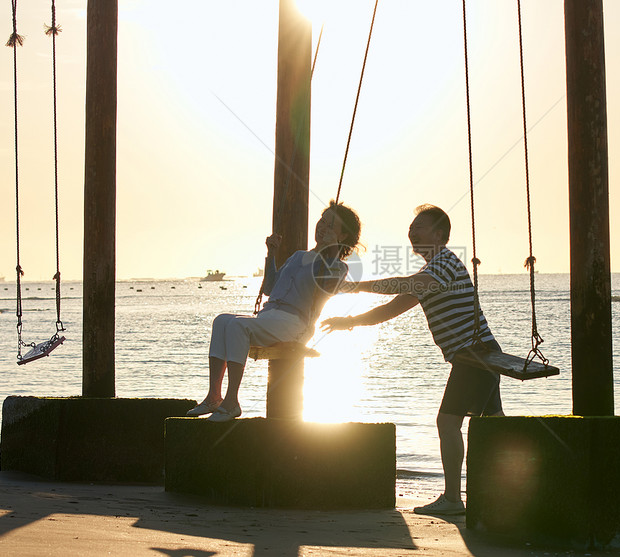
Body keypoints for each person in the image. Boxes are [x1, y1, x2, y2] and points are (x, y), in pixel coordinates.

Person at [321, 204, 502, 516]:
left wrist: (353, 287)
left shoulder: (444, 263)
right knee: (496, 427)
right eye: (411, 227)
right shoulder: (431, 271)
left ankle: (453, 499)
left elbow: (404, 285)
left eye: (420, 227)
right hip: (481, 353)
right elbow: (389, 310)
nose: (412, 232)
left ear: (440, 234)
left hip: (476, 355)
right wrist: (346, 321)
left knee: (448, 423)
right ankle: (499, 495)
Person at [188, 201, 362, 422]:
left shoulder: (338, 267)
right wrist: (272, 254)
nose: (322, 226)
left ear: (343, 235)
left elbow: (326, 286)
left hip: (296, 324)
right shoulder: (298, 256)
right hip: (270, 314)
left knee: (237, 325)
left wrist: (331, 251)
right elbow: (270, 287)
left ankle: (231, 402)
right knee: (221, 321)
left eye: (330, 225)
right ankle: (214, 397)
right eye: (322, 220)